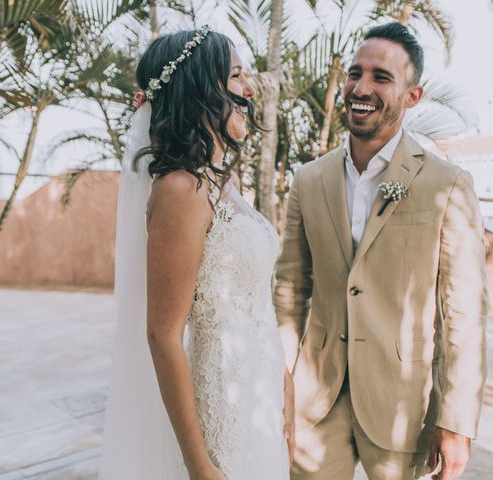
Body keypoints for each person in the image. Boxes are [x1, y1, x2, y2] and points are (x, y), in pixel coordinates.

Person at [274, 22, 488, 480]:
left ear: (412, 97)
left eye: (381, 77)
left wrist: (456, 420)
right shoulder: (309, 180)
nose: (361, 88)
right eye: (355, 73)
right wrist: (281, 380)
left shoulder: (447, 185)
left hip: (403, 405)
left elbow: (464, 312)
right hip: (315, 400)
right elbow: (290, 289)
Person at [99, 26, 293, 480]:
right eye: (236, 76)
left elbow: (253, 303)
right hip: (222, 416)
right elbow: (163, 335)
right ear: (199, 87)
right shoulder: (180, 190)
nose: (249, 88)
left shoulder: (225, 184)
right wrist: (199, 463)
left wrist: (282, 379)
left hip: (259, 401)